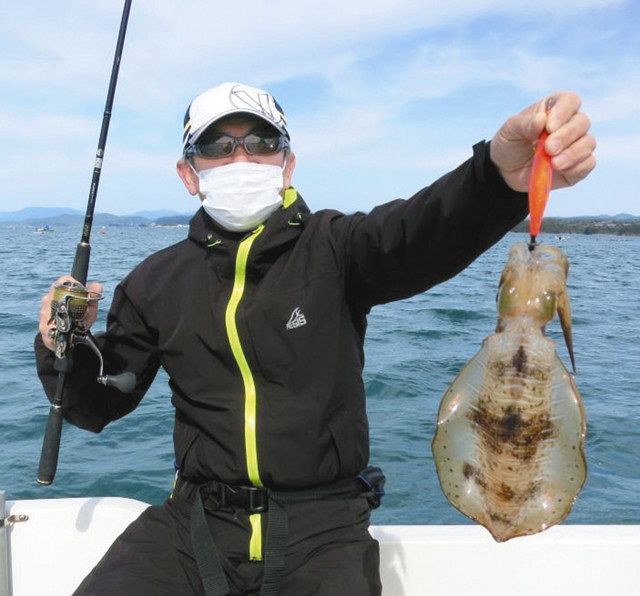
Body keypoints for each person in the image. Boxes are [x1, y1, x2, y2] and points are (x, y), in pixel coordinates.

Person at [36, 81, 595, 595]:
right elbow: (98, 402)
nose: (241, 157)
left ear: (286, 163)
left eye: (260, 141)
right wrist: (63, 345)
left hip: (322, 527)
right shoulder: (155, 281)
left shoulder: (338, 248)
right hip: (194, 522)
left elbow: (422, 232)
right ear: (189, 173)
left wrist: (496, 177)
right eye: (218, 147)